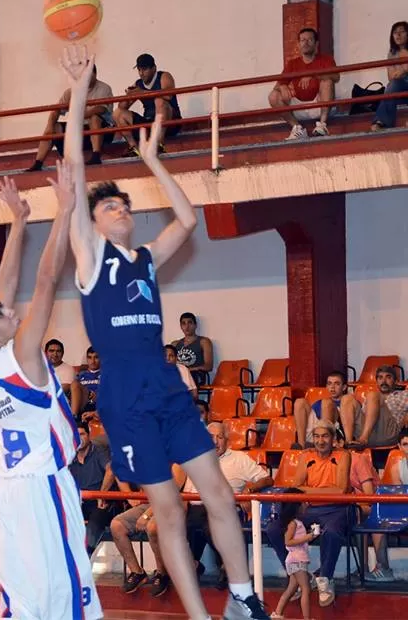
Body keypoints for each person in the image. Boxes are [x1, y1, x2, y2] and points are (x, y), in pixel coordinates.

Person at [61, 44, 268, 620]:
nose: (121, 209)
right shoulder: (89, 261)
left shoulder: (147, 259)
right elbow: (76, 173)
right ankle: (200, 616)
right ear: (96, 223)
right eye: (112, 208)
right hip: (127, 398)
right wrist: (80, 90)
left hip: (167, 388)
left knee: (219, 495)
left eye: (126, 205)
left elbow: (188, 220)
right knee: (169, 512)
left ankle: (243, 599)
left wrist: (153, 159)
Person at [0, 160, 101, 619]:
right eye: (0, 314)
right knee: (65, 590)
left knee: (21, 598)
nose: (8, 309)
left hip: (7, 495)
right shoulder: (22, 355)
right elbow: (43, 281)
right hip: (43, 487)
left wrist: (18, 222)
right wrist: (62, 212)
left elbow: (7, 285)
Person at [271, 488, 317, 620]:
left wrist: (310, 536)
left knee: (291, 588)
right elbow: (288, 542)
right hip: (296, 560)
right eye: (303, 502)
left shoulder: (298, 523)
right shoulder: (293, 524)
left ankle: (278, 613)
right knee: (305, 589)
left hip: (296, 560)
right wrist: (307, 537)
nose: (306, 504)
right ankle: (306, 618)